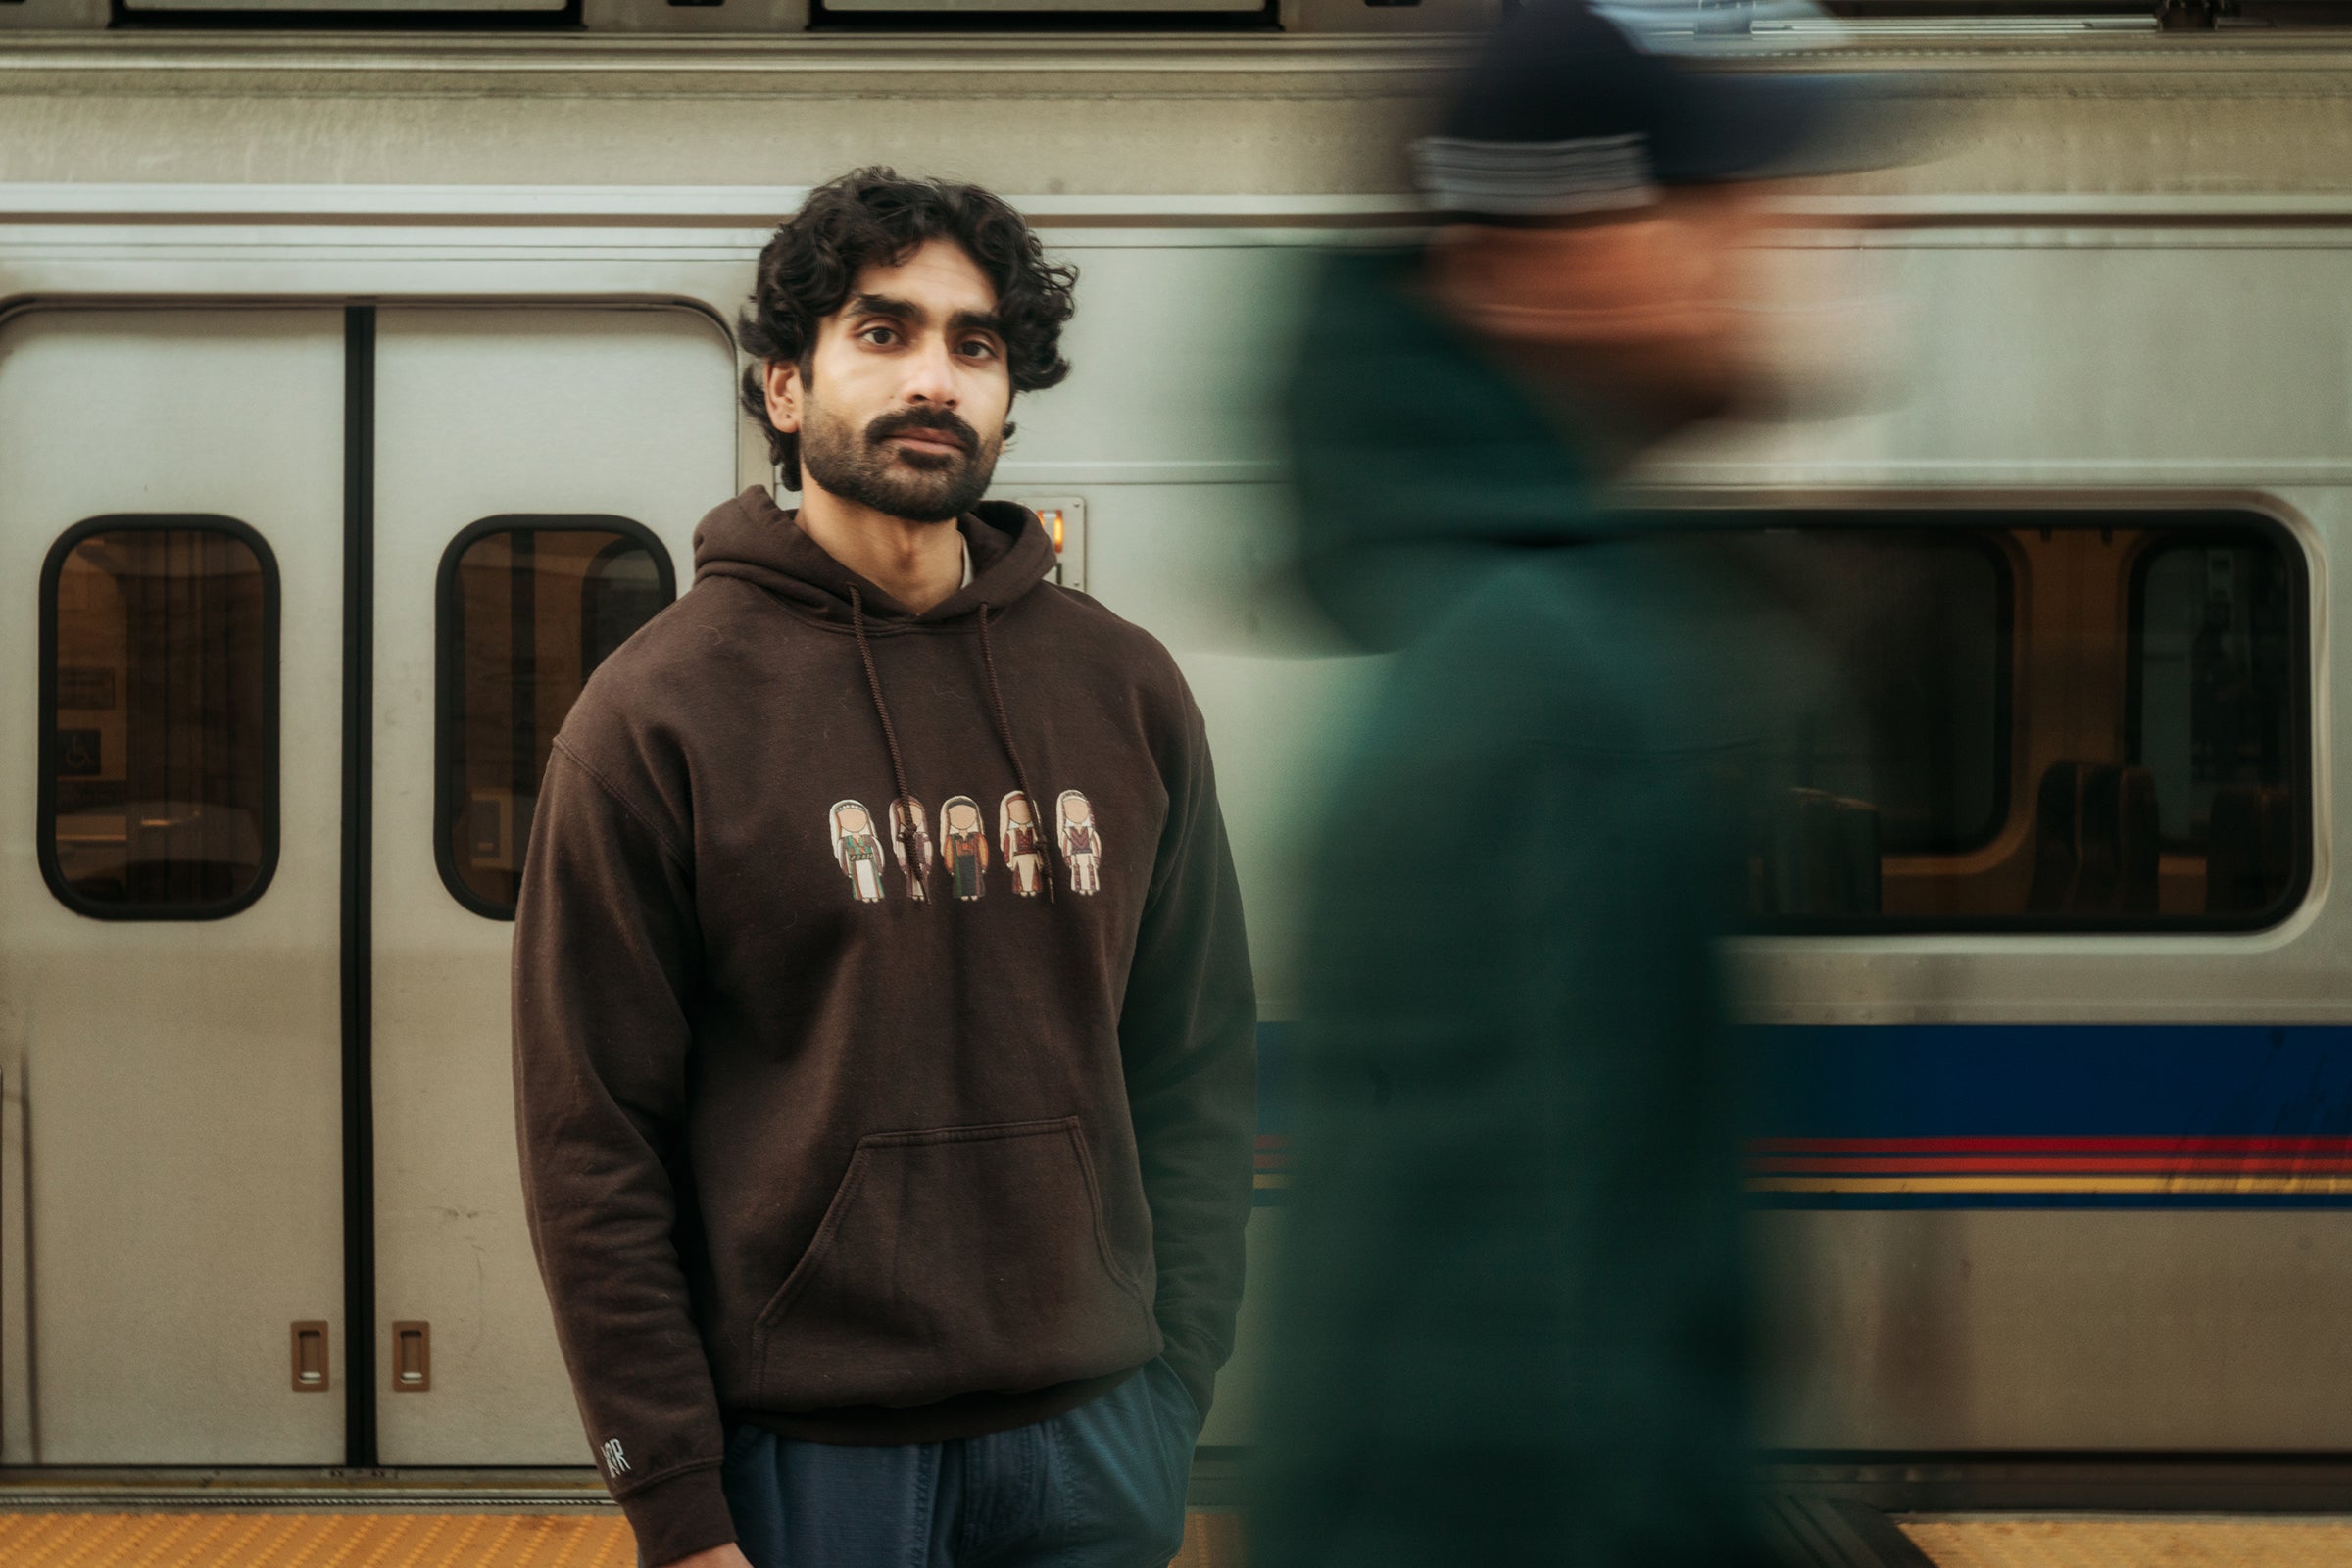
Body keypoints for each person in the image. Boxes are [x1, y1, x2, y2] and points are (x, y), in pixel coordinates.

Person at [514, 168, 1257, 1568]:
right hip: (807, 1464)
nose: (936, 378)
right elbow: (593, 1140)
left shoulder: (1124, 688)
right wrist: (675, 1504)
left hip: (1097, 1440)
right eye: (884, 332)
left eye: (974, 346)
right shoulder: (655, 715)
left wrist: (1177, 1383)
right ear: (786, 389)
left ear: (1010, 394)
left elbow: (1196, 1062)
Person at [1248, 6, 1905, 1566]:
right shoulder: (1556, 686)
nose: (1805, 227)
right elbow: (1533, 1403)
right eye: (1722, 191)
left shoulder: (1500, 629)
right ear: (1562, 256)